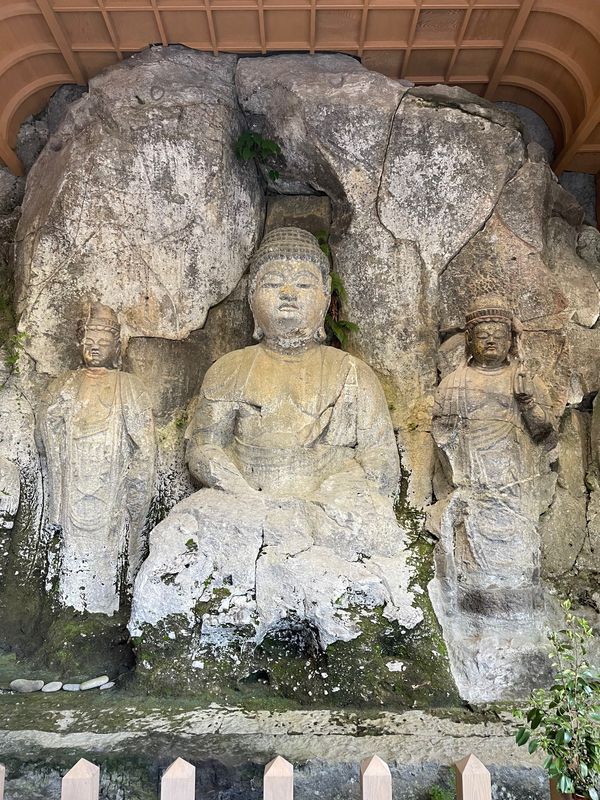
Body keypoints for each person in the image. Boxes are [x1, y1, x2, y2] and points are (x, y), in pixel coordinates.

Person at [130, 228, 420, 653]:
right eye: (272, 284)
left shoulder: (352, 373)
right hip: (245, 499)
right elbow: (204, 449)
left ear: (324, 301)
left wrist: (328, 499)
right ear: (252, 303)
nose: (288, 294)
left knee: (371, 526)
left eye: (303, 284)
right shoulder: (230, 368)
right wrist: (242, 490)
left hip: (330, 506)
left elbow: (379, 465)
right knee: (180, 534)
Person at [430, 293, 555, 616]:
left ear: (511, 340)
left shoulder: (523, 380)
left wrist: (526, 401)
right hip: (475, 481)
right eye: (482, 336)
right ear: (469, 340)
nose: (490, 342)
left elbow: (544, 433)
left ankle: (519, 606)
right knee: (473, 548)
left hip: (515, 482)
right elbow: (442, 436)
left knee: (518, 549)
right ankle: (476, 605)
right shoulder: (454, 384)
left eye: (498, 336)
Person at [38, 302, 156, 615]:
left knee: (108, 545)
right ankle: (69, 607)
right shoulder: (64, 384)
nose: (94, 348)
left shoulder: (129, 385)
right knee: (72, 547)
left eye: (103, 343)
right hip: (74, 476)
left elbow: (145, 443)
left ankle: (104, 609)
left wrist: (135, 486)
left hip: (111, 483)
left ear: (117, 348)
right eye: (89, 342)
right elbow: (47, 428)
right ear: (79, 344)